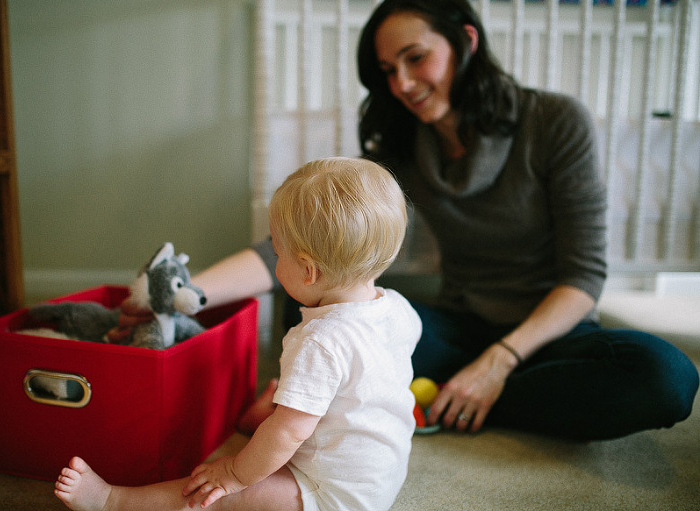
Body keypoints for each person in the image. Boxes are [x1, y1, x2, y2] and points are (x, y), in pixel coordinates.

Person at [114, 0, 697, 442]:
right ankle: (445, 396)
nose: (403, 84)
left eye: (415, 58)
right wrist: (180, 295)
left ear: (465, 40)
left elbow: (582, 277)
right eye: (388, 70)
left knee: (665, 378)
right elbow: (298, 249)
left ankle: (450, 397)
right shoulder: (401, 143)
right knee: (320, 300)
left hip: (549, 333)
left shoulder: (554, 121)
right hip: (456, 326)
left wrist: (498, 364)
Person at [55, 157, 423, 511]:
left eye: (277, 252)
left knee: (216, 494)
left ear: (309, 272)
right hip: (381, 475)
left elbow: (288, 434)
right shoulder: (397, 307)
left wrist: (232, 473)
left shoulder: (320, 341)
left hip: (333, 494)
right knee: (298, 414)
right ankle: (265, 416)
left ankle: (112, 502)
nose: (274, 259)